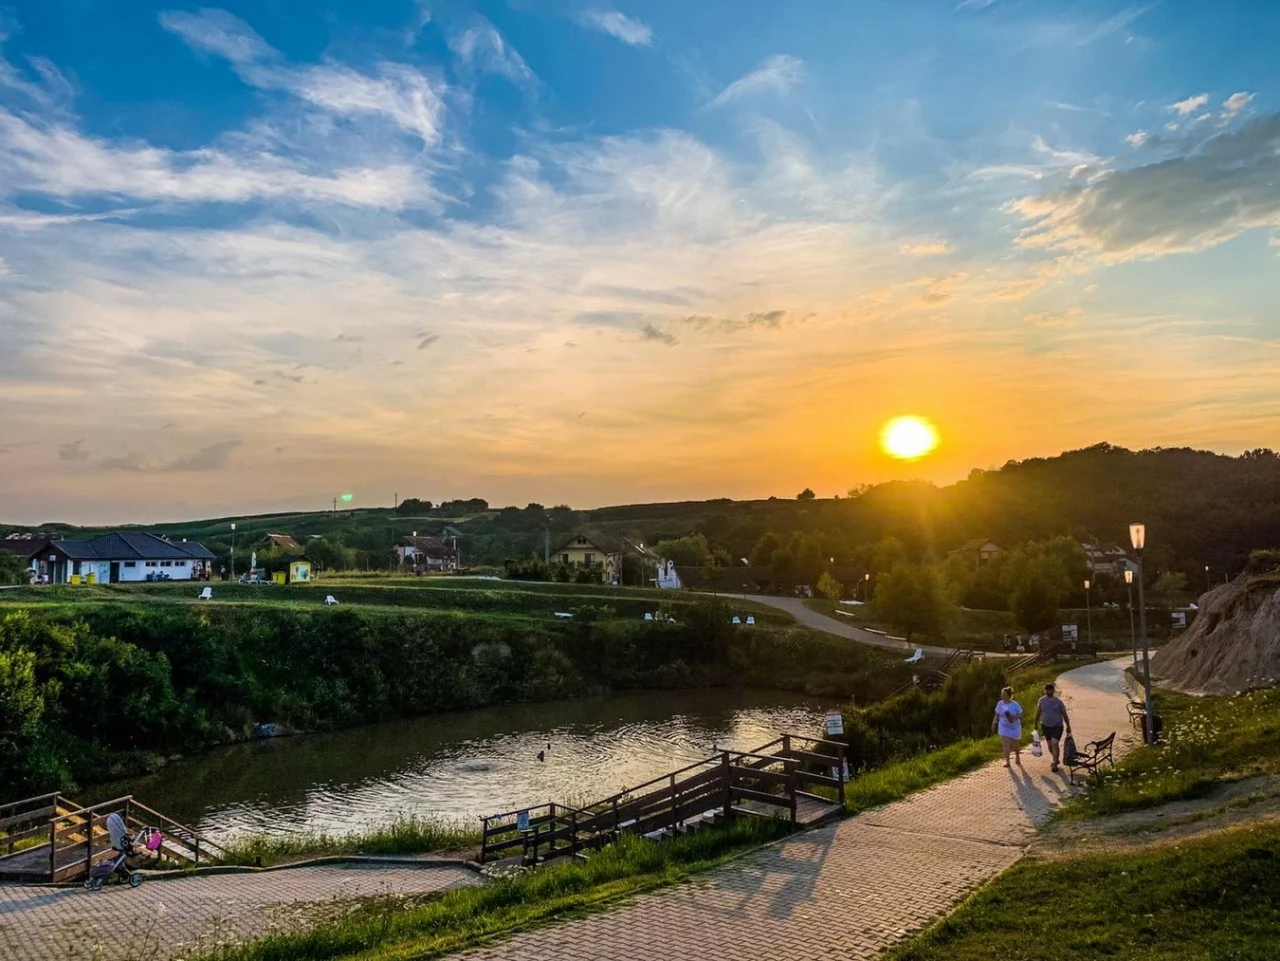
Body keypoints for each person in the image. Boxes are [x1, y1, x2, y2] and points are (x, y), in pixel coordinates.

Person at [1035, 682, 1072, 772]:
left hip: (1057, 725)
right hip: (1045, 725)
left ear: (1053, 690)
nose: (1049, 691)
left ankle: (1054, 763)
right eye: (1047, 690)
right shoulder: (1042, 700)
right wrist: (1035, 724)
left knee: (1055, 743)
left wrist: (1068, 726)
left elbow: (1064, 714)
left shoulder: (1058, 702)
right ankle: (1056, 758)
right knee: (1050, 746)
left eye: (1050, 689)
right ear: (1045, 691)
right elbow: (1038, 712)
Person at [992, 686, 1024, 767]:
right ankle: (1007, 761)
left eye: (1005, 695)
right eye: (1002, 695)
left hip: (1014, 727)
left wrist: (1014, 717)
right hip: (1003, 726)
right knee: (1005, 743)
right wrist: (994, 723)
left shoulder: (1015, 704)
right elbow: (997, 714)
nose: (1003, 696)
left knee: (1014, 745)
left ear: (1009, 696)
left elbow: (1021, 714)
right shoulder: (1000, 704)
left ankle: (1017, 756)